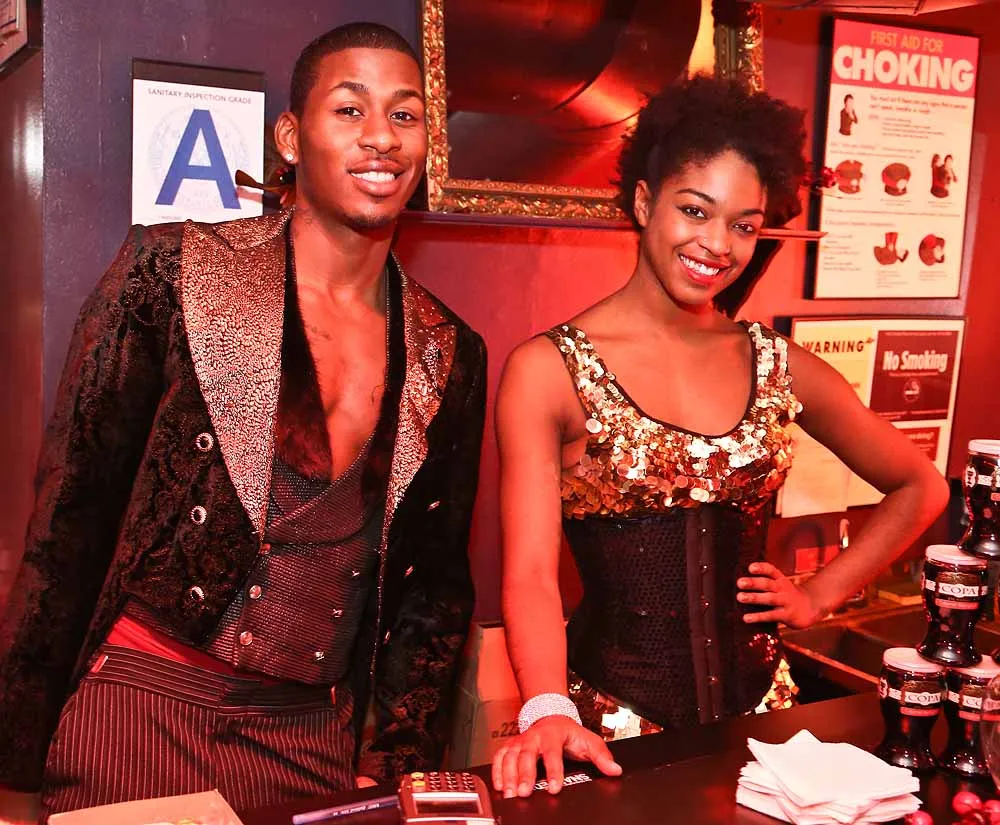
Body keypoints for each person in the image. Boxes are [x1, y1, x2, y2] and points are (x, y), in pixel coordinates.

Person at [0, 21, 487, 821]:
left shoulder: (449, 350)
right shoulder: (171, 272)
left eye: (405, 115)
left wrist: (398, 774)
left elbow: (432, 596)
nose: (381, 137)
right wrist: (15, 770)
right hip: (141, 706)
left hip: (310, 738)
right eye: (350, 109)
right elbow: (68, 525)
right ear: (291, 137)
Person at [490, 75, 949, 799]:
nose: (717, 244)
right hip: (613, 735)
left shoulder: (776, 363)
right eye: (694, 210)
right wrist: (546, 707)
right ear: (645, 203)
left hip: (768, 731)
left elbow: (921, 485)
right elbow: (530, 575)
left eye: (743, 224)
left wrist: (818, 594)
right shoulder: (547, 370)